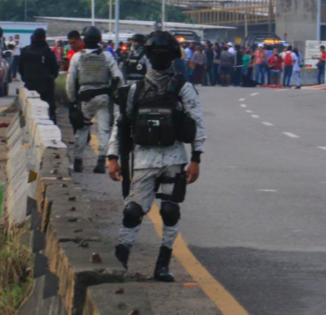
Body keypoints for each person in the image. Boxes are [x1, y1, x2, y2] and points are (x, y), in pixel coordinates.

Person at [107, 31, 206, 283]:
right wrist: (112, 156)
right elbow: (121, 125)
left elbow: (197, 123)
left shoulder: (183, 89)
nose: (159, 58)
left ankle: (162, 265)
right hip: (143, 160)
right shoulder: (134, 90)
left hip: (173, 159)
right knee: (132, 211)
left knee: (170, 211)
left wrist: (196, 158)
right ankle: (120, 262)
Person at [66, 26, 124, 174]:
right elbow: (118, 77)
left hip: (85, 99)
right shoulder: (107, 56)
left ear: (84, 39)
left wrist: (73, 101)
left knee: (82, 129)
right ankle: (100, 161)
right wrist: (117, 95)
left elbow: (70, 81)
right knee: (103, 130)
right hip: (104, 98)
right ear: (99, 40)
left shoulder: (77, 57)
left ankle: (78, 161)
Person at [19, 29, 59, 123]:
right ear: (44, 38)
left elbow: (20, 69)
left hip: (30, 87)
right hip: (46, 89)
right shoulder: (48, 52)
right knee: (50, 112)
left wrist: (27, 80)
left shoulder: (25, 51)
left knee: (25, 111)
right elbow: (55, 70)